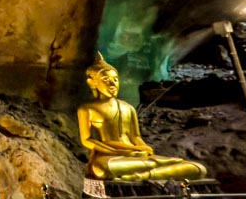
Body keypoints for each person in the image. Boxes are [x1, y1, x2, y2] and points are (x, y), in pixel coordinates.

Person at [77, 52, 206, 181]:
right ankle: (150, 172)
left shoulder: (128, 108)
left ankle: (140, 176)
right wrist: (119, 152)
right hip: (111, 157)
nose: (112, 84)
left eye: (115, 79)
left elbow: (135, 137)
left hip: (136, 155)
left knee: (198, 168)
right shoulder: (88, 109)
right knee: (102, 170)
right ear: (92, 83)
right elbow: (87, 140)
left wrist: (143, 149)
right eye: (106, 80)